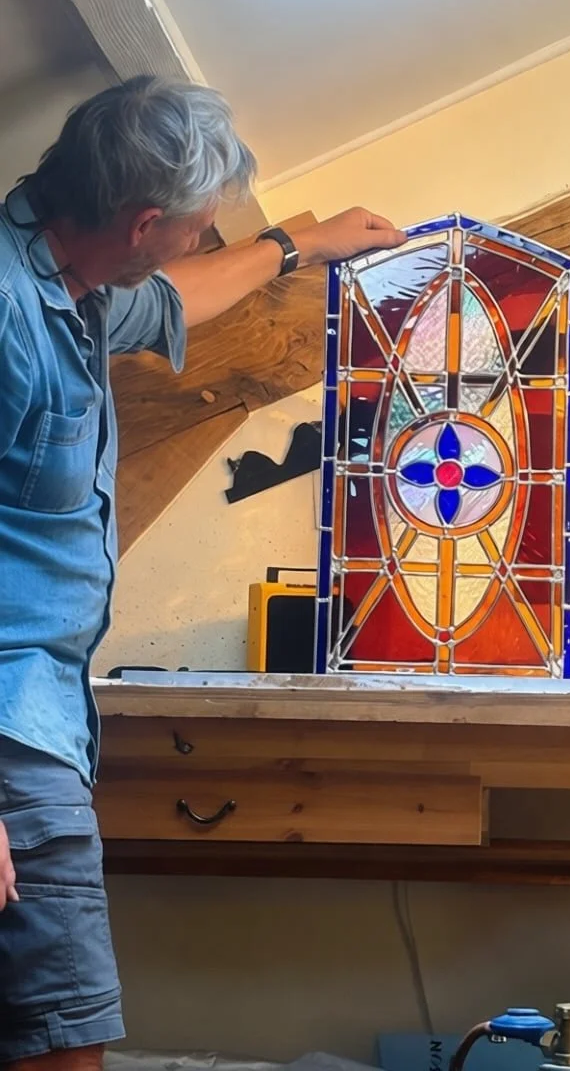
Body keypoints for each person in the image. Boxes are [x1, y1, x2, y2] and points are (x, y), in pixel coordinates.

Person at [0, 76, 405, 1069]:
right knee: (66, 1037)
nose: (196, 240)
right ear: (143, 223)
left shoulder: (77, 284)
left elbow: (174, 297)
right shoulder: (7, 316)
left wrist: (296, 243)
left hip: (39, 708)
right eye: (195, 226)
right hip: (6, 728)